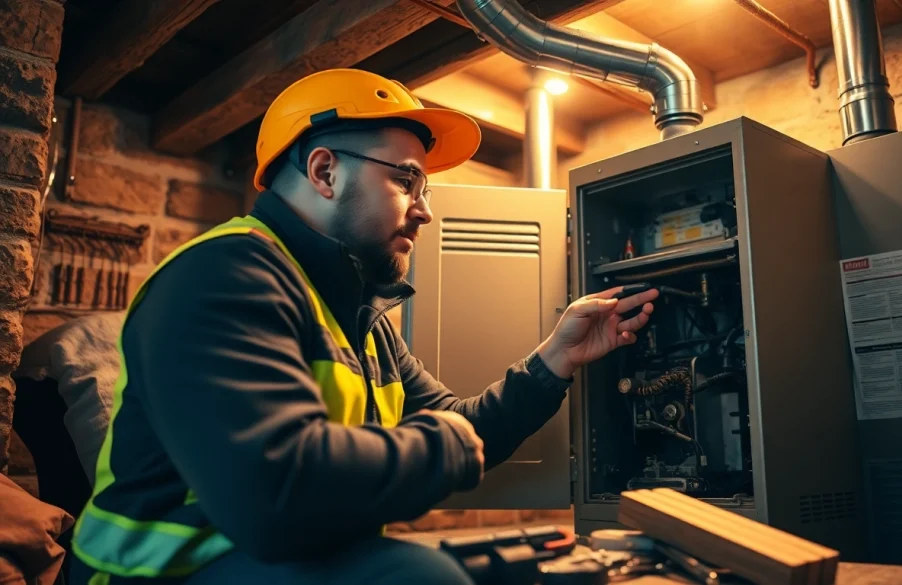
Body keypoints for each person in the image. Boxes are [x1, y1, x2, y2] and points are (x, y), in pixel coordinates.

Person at [68, 68, 659, 585]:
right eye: (406, 180)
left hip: (278, 558)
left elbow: (460, 425)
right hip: (158, 575)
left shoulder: (358, 317)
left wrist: (555, 359)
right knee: (417, 576)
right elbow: (276, 495)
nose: (425, 208)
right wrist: (447, 446)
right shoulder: (224, 275)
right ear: (325, 171)